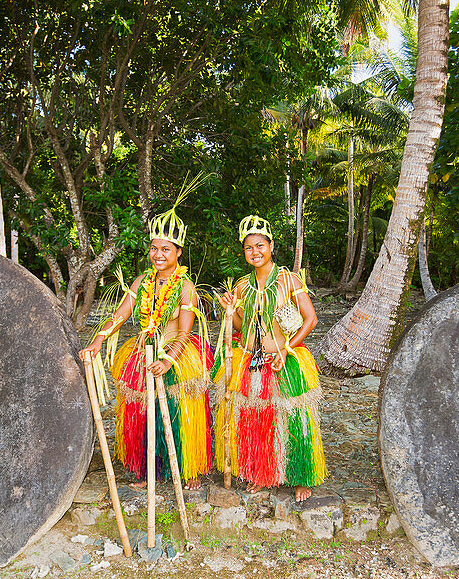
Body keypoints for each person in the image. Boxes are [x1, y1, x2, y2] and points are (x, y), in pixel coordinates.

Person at [80, 207, 212, 489]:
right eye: (154, 248)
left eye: (166, 249)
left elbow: (186, 331)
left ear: (178, 252)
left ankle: (189, 470)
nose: (158, 254)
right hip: (143, 352)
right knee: (143, 412)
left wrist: (168, 361)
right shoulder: (142, 282)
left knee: (180, 413)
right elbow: (120, 316)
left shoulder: (185, 286)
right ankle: (150, 469)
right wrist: (98, 340)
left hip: (176, 354)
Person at [213, 215, 326, 502]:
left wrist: (289, 347)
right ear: (244, 252)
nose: (255, 252)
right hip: (251, 360)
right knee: (257, 420)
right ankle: (263, 474)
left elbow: (310, 320)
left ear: (271, 245)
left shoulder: (289, 279)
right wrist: (230, 309)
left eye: (260, 245)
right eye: (249, 247)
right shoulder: (241, 286)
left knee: (294, 418)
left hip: (284, 359)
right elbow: (240, 326)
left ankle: (302, 478)